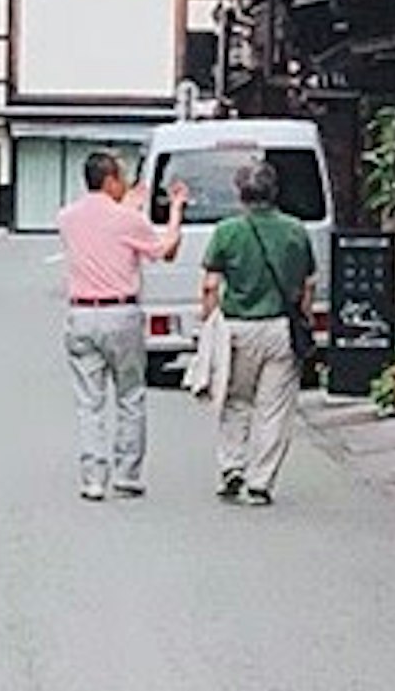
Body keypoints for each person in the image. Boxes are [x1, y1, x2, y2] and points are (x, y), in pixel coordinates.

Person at [56, 145, 183, 500]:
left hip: (80, 314)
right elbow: (166, 249)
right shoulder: (129, 220)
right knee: (130, 395)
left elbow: (100, 227)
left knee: (89, 402)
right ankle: (127, 474)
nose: (126, 184)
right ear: (110, 180)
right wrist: (175, 210)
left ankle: (93, 478)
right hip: (121, 313)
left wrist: (125, 206)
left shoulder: (67, 217)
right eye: (122, 178)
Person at [199, 154, 317, 504]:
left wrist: (208, 323)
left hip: (237, 327)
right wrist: (304, 317)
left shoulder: (227, 231)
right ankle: (260, 481)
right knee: (273, 408)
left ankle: (232, 466)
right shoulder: (296, 230)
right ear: (275, 192)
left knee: (235, 400)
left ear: (240, 194)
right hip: (280, 326)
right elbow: (307, 284)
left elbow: (210, 284)